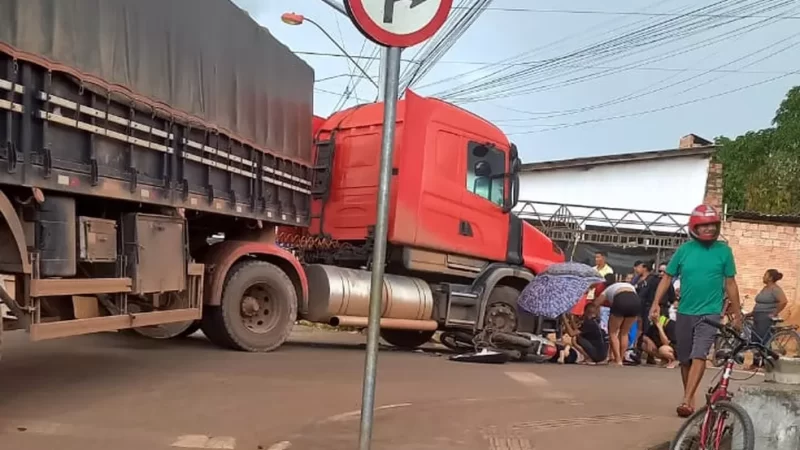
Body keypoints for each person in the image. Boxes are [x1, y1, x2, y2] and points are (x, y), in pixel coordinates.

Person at [649, 204, 743, 418]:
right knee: (685, 359)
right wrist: (656, 303)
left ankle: (685, 399)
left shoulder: (724, 251)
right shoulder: (684, 251)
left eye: (713, 225)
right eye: (704, 226)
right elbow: (667, 277)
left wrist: (737, 314)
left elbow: (730, 283)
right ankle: (689, 396)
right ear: (694, 227)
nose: (709, 229)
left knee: (699, 353)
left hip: (710, 313)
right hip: (685, 311)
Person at [594, 273, 640, 366]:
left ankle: (617, 360)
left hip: (621, 300)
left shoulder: (606, 290)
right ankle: (621, 358)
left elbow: (596, 303)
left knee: (613, 332)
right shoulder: (628, 285)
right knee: (624, 333)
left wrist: (594, 314)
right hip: (635, 301)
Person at [751, 269, 789, 343]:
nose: (763, 277)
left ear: (770, 278)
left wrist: (774, 313)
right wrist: (752, 313)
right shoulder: (765, 288)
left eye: (765, 275)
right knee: (755, 338)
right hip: (757, 316)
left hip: (765, 317)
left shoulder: (775, 289)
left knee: (763, 339)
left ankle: (766, 353)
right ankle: (757, 354)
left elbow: (783, 301)